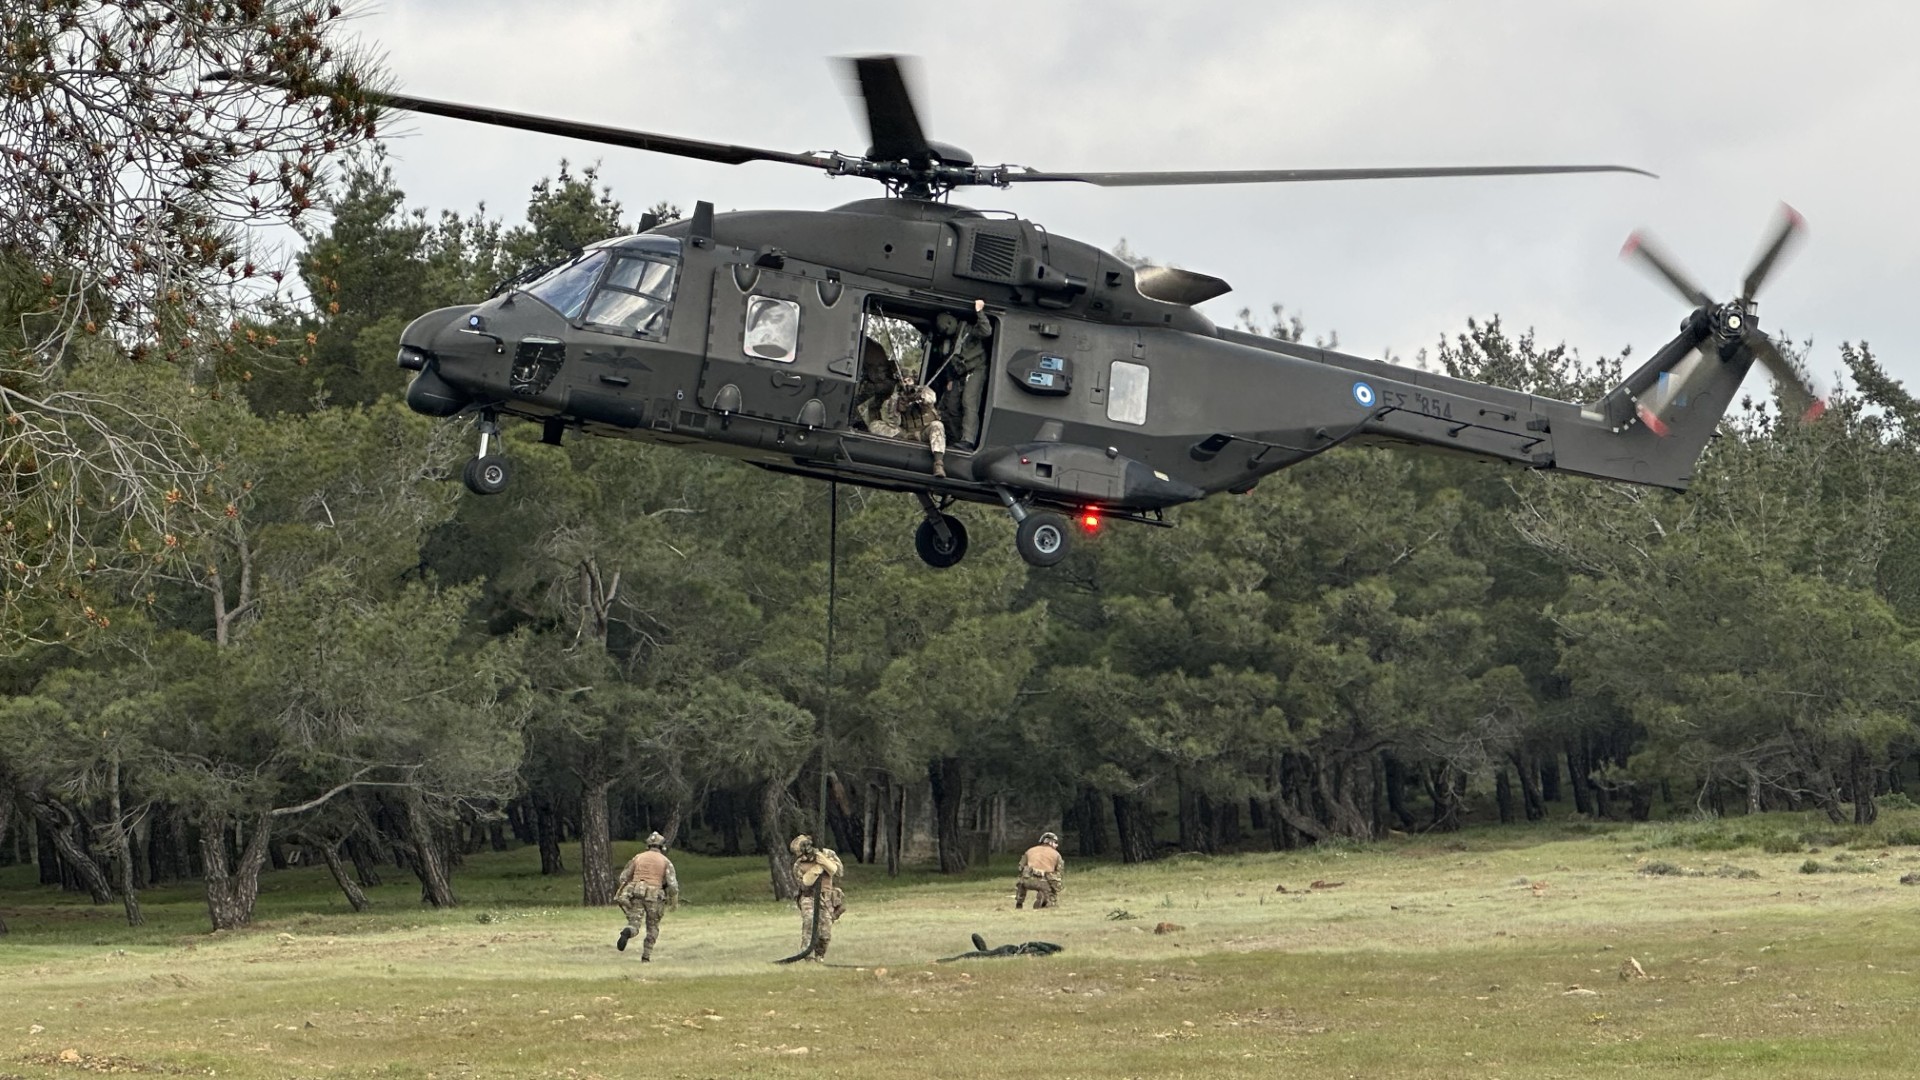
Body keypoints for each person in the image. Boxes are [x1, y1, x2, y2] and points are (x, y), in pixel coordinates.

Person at [932, 299, 993, 449]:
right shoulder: (949, 342)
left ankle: (968, 440)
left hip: (976, 369)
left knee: (968, 402)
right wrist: (950, 379)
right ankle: (955, 437)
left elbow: (986, 331)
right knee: (951, 405)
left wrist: (980, 312)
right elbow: (949, 362)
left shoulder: (967, 331)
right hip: (958, 375)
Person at [865, 370, 948, 478]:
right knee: (875, 425)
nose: (906, 383)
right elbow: (892, 421)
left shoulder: (924, 391)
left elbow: (931, 399)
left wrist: (919, 396)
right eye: (904, 381)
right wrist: (898, 402)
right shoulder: (895, 398)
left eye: (909, 380)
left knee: (937, 425)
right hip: (906, 434)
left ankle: (938, 464)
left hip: (924, 432)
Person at [614, 831, 679, 962]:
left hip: (636, 892)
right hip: (655, 897)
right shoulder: (665, 861)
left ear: (648, 845)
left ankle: (628, 932)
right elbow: (672, 885)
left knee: (634, 923)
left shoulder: (638, 858)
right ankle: (646, 957)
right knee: (652, 927)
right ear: (662, 847)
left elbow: (623, 877)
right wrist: (674, 901)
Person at [789, 833, 846, 961]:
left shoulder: (828, 854)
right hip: (808, 897)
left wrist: (824, 862)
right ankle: (807, 956)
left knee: (825, 933)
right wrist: (816, 869)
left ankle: (819, 956)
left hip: (827, 897)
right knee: (809, 922)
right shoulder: (798, 865)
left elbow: (839, 872)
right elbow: (803, 885)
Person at [1015, 831, 1064, 909]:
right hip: (1043, 881)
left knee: (1022, 881)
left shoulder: (1030, 850)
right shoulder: (1056, 854)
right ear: (1051, 843)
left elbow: (1020, 867)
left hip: (1028, 879)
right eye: (1056, 843)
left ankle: (1019, 902)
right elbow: (1059, 871)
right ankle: (1045, 899)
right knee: (1050, 896)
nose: (1057, 845)